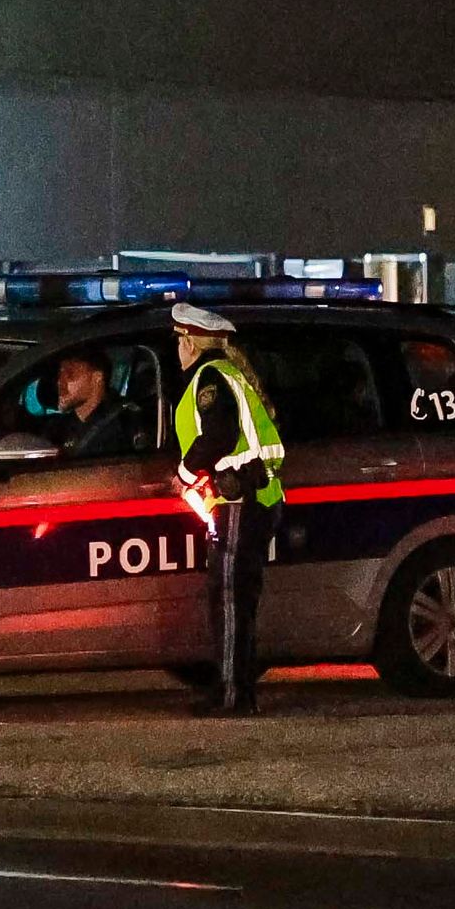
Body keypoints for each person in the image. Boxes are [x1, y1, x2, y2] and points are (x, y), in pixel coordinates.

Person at [168, 302, 287, 714]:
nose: (177, 349)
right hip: (248, 498)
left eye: (180, 340)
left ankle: (233, 695)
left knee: (230, 598)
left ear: (191, 342)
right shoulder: (229, 372)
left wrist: (184, 473)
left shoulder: (211, 378)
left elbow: (218, 435)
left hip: (239, 499)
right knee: (234, 596)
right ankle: (233, 690)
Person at [51, 351, 138, 457]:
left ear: (97, 377)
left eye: (70, 374)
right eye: (60, 375)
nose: (60, 382)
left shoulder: (123, 423)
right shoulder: (58, 427)